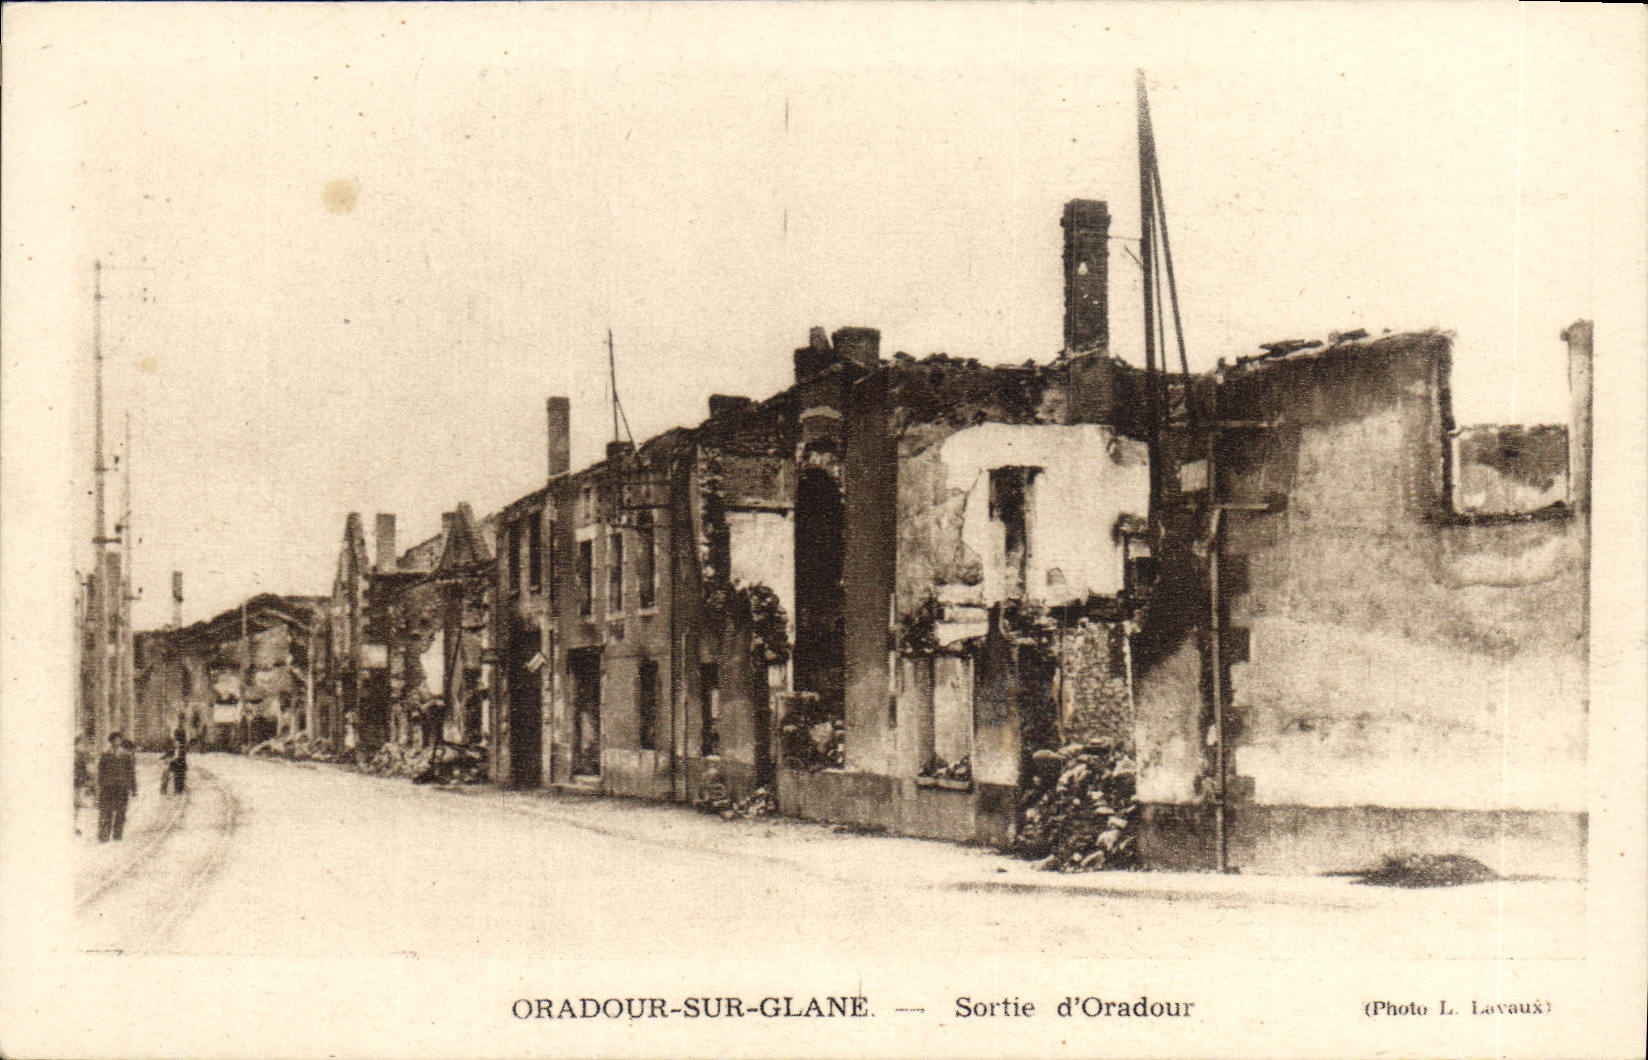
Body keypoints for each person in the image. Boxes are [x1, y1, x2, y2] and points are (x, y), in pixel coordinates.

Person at [96, 731, 138, 842]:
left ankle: (117, 835)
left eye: (118, 740)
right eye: (114, 740)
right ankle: (104, 836)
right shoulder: (105, 755)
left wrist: (134, 789)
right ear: (111, 741)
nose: (116, 742)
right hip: (108, 788)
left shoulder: (126, 756)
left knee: (121, 812)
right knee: (106, 811)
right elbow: (101, 772)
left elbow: (131, 773)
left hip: (122, 788)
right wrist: (100, 786)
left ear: (120, 741)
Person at [72, 732, 93, 835]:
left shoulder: (82, 754)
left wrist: (88, 779)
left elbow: (87, 769)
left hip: (79, 782)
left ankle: (74, 825)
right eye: (79, 743)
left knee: (77, 804)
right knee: (74, 803)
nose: (80, 745)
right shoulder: (77, 754)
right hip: (75, 782)